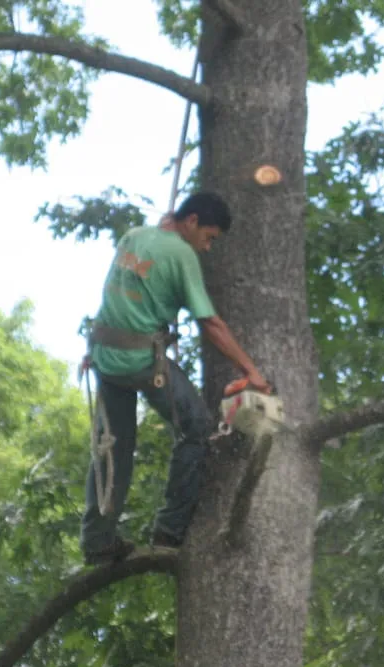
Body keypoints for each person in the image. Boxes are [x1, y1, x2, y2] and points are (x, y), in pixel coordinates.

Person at [80, 191, 271, 566]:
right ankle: (170, 530)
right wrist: (251, 371)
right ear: (193, 221)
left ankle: (97, 540)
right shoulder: (182, 255)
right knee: (197, 428)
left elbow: (117, 291)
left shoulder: (135, 236)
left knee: (112, 447)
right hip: (140, 361)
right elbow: (211, 325)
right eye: (209, 236)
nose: (209, 247)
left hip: (105, 355)